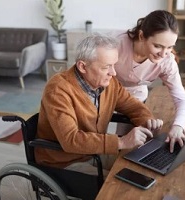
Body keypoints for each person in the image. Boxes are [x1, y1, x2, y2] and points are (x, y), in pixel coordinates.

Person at [35, 34, 163, 175]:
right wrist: (121, 142)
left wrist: (148, 121)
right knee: (119, 183)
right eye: (106, 67)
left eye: (114, 65)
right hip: (64, 162)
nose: (113, 72)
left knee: (140, 168)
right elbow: (70, 140)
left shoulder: (109, 83)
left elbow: (132, 106)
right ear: (83, 67)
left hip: (94, 153)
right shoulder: (58, 89)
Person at [114, 10, 185, 153]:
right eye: (158, 46)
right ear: (142, 36)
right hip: (108, 94)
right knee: (115, 142)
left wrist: (178, 126)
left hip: (136, 99)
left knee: (135, 146)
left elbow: (182, 99)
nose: (163, 54)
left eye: (170, 47)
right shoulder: (117, 45)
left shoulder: (167, 62)